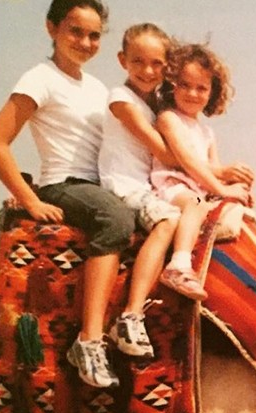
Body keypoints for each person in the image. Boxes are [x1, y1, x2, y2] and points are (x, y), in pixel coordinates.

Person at [0, 0, 127, 388]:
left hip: (99, 183)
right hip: (65, 183)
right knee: (116, 219)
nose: (85, 41)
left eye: (94, 35)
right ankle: (89, 340)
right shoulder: (40, 78)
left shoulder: (98, 87)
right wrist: (31, 199)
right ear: (52, 29)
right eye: (75, 31)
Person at [97, 23, 186, 362]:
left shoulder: (155, 107)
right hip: (124, 187)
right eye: (139, 62)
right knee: (169, 219)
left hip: (147, 187)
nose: (148, 71)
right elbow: (166, 153)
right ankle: (131, 316)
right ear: (123, 61)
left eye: (157, 64)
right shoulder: (122, 100)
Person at [151, 43, 253, 294]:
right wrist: (220, 186)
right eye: (184, 85)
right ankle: (179, 266)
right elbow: (187, 160)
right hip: (173, 187)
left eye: (201, 88)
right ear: (171, 85)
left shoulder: (207, 132)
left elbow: (213, 168)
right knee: (197, 203)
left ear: (212, 92)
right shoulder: (168, 119)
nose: (192, 93)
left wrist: (234, 185)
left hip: (199, 189)